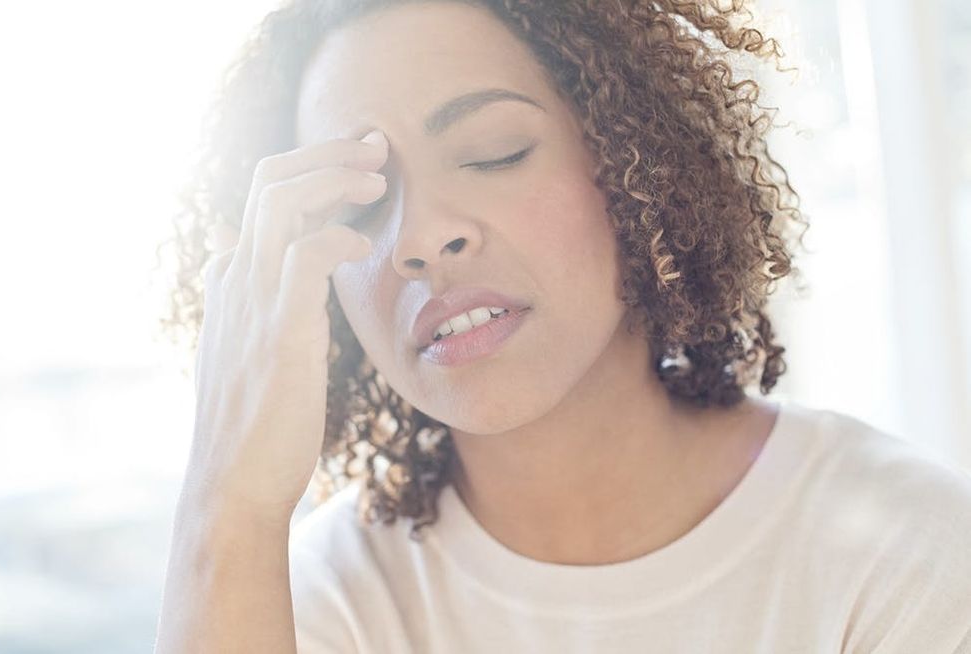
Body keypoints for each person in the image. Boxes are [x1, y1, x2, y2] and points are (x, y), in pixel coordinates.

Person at [154, 1, 971, 652]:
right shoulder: (303, 604)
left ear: (635, 161)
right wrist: (226, 505)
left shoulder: (907, 556)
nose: (419, 238)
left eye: (494, 151)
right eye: (361, 205)